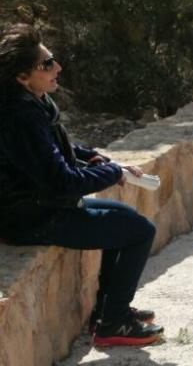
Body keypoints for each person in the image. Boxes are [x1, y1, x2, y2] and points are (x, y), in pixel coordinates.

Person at [0, 24, 162, 347]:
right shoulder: (20, 115)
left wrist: (92, 157)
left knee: (127, 222)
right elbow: (62, 181)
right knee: (140, 231)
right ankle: (113, 323)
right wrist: (113, 173)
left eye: (53, 59)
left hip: (45, 206)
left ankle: (107, 311)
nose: (57, 67)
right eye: (47, 65)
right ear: (22, 77)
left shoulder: (33, 102)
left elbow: (57, 150)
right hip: (34, 217)